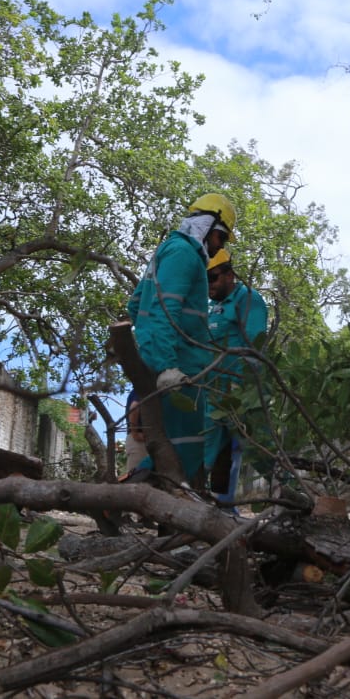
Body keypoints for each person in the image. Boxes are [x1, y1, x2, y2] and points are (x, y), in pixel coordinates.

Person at [125, 192, 237, 485]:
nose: (218, 249)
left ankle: (144, 507)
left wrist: (152, 353)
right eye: (221, 240)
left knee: (170, 447)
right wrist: (166, 366)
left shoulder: (170, 250)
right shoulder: (184, 254)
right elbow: (166, 309)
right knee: (185, 450)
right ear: (211, 227)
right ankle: (118, 497)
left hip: (167, 364)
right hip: (179, 370)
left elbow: (136, 306)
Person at [202, 247, 269, 508]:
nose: (209, 285)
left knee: (261, 452)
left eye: (213, 277)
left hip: (242, 397)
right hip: (212, 397)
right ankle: (209, 512)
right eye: (204, 279)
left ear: (229, 274)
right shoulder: (211, 308)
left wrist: (240, 390)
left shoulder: (248, 300)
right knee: (204, 455)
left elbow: (253, 347)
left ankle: (295, 500)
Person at [122, 390, 147, 474]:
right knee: (136, 478)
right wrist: (135, 434)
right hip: (139, 441)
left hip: (143, 438)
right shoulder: (143, 388)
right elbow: (134, 407)